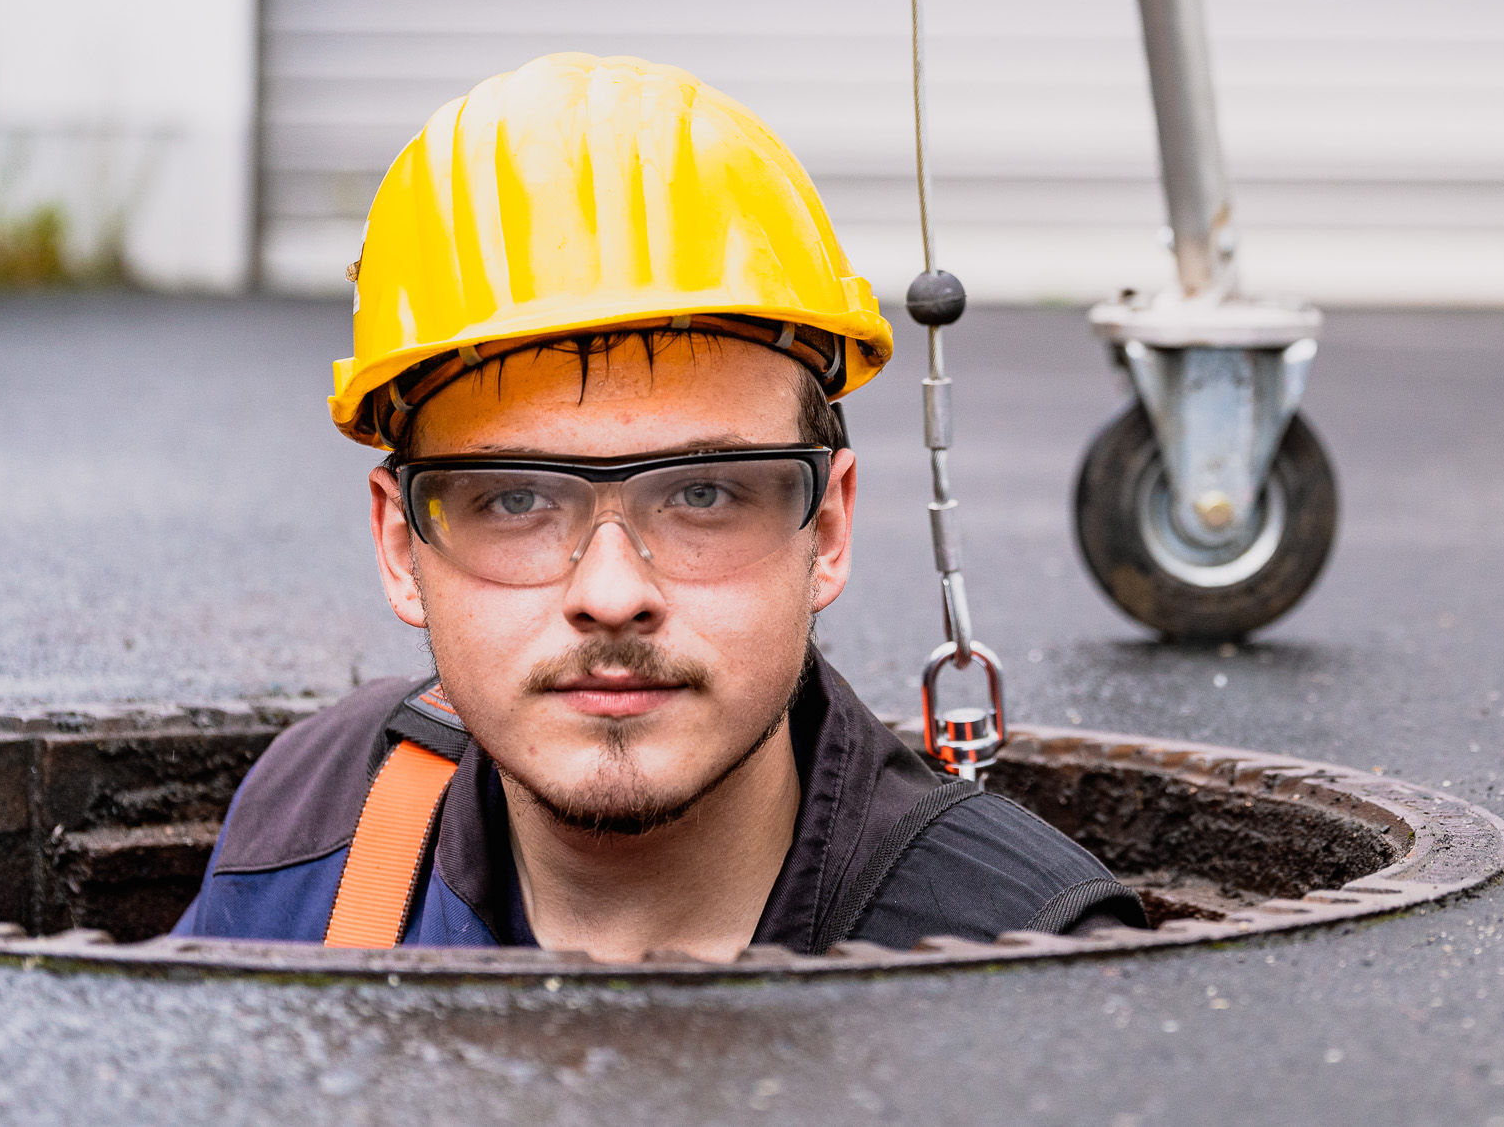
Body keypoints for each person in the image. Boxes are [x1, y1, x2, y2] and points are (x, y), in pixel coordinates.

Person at [174, 53, 1144, 961]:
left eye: (703, 493)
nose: (610, 592)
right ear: (399, 544)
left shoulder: (1018, 962)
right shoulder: (317, 835)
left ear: (831, 526)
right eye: (515, 497)